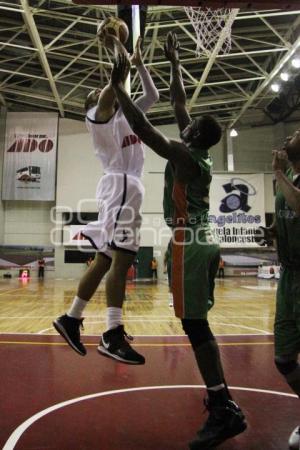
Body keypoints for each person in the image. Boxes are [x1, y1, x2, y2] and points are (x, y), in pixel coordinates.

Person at [110, 32, 246, 449]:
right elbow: (179, 104)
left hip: (191, 240)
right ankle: (221, 401)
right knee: (195, 323)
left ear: (193, 139)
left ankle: (222, 407)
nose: (184, 125)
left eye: (189, 129)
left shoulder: (186, 156)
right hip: (198, 237)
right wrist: (172, 63)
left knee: (193, 324)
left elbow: (145, 128)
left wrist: (119, 87)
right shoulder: (196, 149)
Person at [53, 34, 159, 365]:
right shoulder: (98, 120)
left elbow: (152, 94)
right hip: (121, 185)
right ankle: (112, 333)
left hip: (125, 187)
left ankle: (71, 318)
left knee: (104, 260)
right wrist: (116, 45)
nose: (101, 96)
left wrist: (139, 65)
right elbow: (115, 78)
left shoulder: (125, 116)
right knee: (123, 259)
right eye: (97, 96)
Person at [257, 130, 300, 450]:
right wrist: (272, 231)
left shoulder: (281, 176)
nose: (290, 135)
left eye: (297, 134)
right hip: (289, 277)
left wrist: (274, 172)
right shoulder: (286, 176)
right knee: (284, 359)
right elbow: (287, 214)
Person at [164, 240, 173, 307]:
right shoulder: (167, 252)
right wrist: (164, 268)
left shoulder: (178, 251)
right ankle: (171, 301)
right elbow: (164, 260)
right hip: (170, 269)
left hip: (177, 269)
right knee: (170, 286)